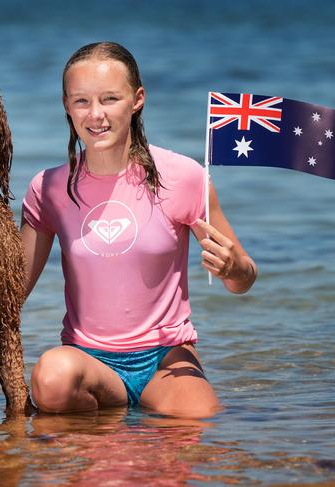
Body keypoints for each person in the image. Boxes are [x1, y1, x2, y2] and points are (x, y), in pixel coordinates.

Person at [21, 41, 257, 418]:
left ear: (137, 99)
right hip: (89, 362)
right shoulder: (47, 188)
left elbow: (244, 279)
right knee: (51, 379)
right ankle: (113, 431)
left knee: (201, 426)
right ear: (67, 106)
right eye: (81, 101)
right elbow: (12, 290)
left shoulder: (184, 176)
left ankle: (121, 431)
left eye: (110, 98)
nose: (95, 115)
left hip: (166, 362)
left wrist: (232, 268)